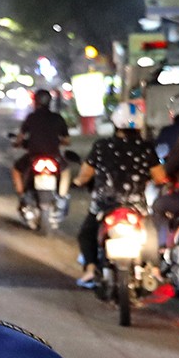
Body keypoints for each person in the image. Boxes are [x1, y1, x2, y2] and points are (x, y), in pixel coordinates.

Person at [72, 112, 160, 287]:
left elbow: (84, 176)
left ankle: (90, 269)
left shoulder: (101, 146)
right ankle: (154, 268)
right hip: (136, 208)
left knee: (86, 233)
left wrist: (77, 182)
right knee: (150, 233)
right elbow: (160, 177)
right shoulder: (146, 148)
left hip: (105, 205)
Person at [13, 88, 70, 204]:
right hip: (54, 156)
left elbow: (20, 138)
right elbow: (67, 140)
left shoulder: (31, 117)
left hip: (33, 156)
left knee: (16, 170)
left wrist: (17, 144)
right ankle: (62, 197)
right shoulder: (57, 118)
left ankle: (22, 195)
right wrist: (59, 142)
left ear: (35, 101)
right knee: (66, 172)